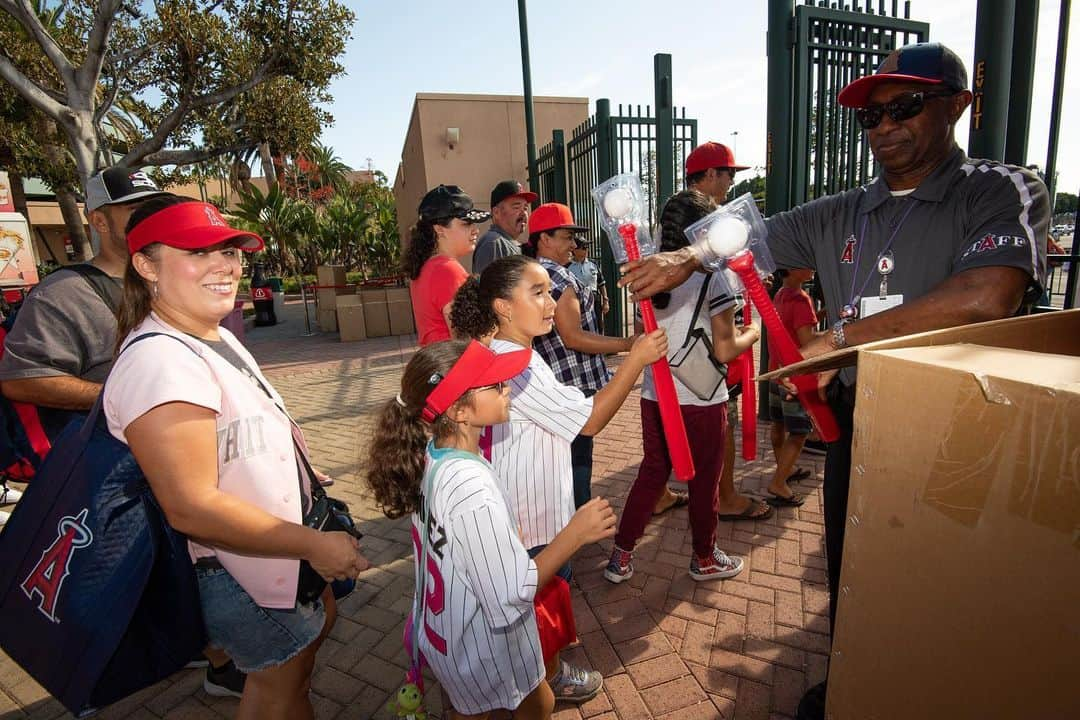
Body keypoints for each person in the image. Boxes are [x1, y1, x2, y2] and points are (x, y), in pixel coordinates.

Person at [616, 42, 1049, 719]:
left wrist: (837, 340)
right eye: (869, 118)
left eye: (903, 108)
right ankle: (858, 681)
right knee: (851, 568)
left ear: (958, 106)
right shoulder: (840, 210)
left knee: (946, 584)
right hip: (859, 426)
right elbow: (748, 235)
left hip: (964, 436)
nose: (884, 128)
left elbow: (987, 295)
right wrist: (684, 256)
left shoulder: (998, 188)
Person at [104, 196, 369, 718]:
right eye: (199, 252)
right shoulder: (159, 360)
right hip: (232, 569)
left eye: (230, 251)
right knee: (278, 691)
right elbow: (191, 507)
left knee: (291, 682)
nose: (224, 265)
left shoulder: (213, 335)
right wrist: (313, 544)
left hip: (268, 555)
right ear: (146, 265)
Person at [452, 255, 667, 703]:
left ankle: (540, 672)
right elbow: (588, 422)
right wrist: (636, 360)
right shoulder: (518, 366)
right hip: (529, 521)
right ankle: (542, 679)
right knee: (535, 610)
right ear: (504, 307)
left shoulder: (502, 351)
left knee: (535, 609)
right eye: (538, 293)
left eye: (549, 290)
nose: (551, 302)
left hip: (517, 508)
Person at [363, 339, 617, 720]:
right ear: (458, 409)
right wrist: (574, 534)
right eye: (494, 385)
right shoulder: (469, 487)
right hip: (482, 648)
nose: (507, 389)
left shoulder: (436, 455)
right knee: (529, 706)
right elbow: (511, 593)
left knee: (534, 702)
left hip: (451, 636)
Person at [604, 190, 759, 586]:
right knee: (705, 479)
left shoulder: (647, 273)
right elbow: (725, 348)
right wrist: (753, 331)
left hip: (656, 394)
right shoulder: (715, 276)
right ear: (706, 231)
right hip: (703, 399)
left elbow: (643, 335)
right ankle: (705, 558)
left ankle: (621, 555)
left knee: (652, 473)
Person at [683, 141, 772, 522]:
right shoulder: (704, 232)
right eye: (728, 174)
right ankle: (727, 497)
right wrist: (752, 332)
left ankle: (675, 494)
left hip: (684, 347)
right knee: (720, 427)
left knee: (683, 433)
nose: (730, 182)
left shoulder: (675, 223)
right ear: (709, 175)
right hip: (707, 348)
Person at [527, 203, 629, 508]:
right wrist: (628, 344)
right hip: (574, 381)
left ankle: (568, 516)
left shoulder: (533, 274)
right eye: (566, 237)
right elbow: (573, 337)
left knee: (565, 454)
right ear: (544, 239)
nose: (573, 244)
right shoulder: (556, 278)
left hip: (555, 380)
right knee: (579, 454)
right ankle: (578, 519)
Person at [405, 185, 491, 346]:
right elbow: (466, 341)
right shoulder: (446, 270)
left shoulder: (428, 266)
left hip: (440, 364)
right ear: (439, 229)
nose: (475, 230)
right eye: (466, 224)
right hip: (453, 366)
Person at [765, 268, 819, 507]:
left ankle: (784, 469)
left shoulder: (780, 295)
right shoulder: (801, 300)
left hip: (776, 371)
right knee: (799, 432)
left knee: (778, 424)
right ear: (795, 269)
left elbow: (790, 329)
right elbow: (810, 345)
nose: (813, 267)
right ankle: (779, 483)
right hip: (795, 379)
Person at [472, 180, 537, 275]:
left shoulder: (505, 242)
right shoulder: (493, 243)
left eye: (525, 208)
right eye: (516, 207)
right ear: (496, 213)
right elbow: (488, 288)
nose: (523, 213)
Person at [567, 238, 608, 329]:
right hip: (577, 300)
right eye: (583, 247)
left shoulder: (593, 264)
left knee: (597, 326)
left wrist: (605, 301)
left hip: (594, 299)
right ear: (575, 250)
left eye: (587, 247)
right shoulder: (567, 266)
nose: (586, 250)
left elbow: (601, 283)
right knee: (580, 327)